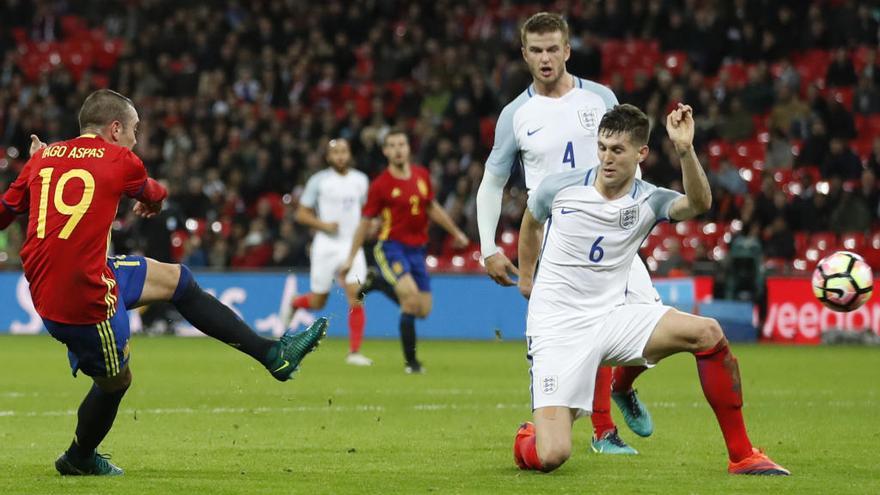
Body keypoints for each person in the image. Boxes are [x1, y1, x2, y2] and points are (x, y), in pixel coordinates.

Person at [0, 89, 327, 476]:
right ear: (115, 128)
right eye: (134, 130)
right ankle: (79, 457)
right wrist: (151, 201)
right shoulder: (122, 159)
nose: (136, 139)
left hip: (57, 278)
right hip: (83, 298)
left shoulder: (41, 159)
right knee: (116, 381)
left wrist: (41, 164)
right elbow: (155, 192)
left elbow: (5, 213)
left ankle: (273, 355)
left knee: (176, 280)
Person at [513, 102, 788, 476]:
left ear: (641, 153)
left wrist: (685, 149)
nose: (607, 159)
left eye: (618, 150)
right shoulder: (559, 188)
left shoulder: (648, 199)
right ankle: (527, 439)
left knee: (707, 333)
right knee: (552, 455)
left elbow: (699, 203)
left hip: (612, 318)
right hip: (557, 328)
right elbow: (531, 222)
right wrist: (527, 277)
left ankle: (742, 455)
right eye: (603, 148)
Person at [475, 12, 651, 454]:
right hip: (557, 237)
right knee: (587, 330)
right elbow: (492, 183)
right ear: (524, 55)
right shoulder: (517, 114)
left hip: (610, 227)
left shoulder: (599, 98)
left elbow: (629, 158)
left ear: (568, 50)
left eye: (553, 48)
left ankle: (622, 389)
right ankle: (603, 432)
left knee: (650, 323)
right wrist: (488, 247)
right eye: (536, 50)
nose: (545, 58)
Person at [341, 130, 469, 373]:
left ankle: (378, 282)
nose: (398, 149)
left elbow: (432, 208)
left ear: (408, 148)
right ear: (385, 151)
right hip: (391, 247)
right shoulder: (381, 185)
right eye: (392, 145)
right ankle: (412, 364)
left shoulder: (422, 176)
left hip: (417, 250)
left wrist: (456, 232)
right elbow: (365, 222)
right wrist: (350, 257)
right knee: (409, 300)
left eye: (402, 144)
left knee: (423, 310)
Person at [284, 138, 373, 366]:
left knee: (356, 296)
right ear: (328, 157)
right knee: (318, 301)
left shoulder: (361, 180)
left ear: (350, 154)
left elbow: (369, 212)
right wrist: (323, 225)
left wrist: (372, 226)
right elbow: (301, 214)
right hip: (326, 246)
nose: (340, 156)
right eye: (336, 152)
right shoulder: (319, 181)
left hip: (352, 246)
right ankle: (295, 302)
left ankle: (354, 353)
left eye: (344, 151)